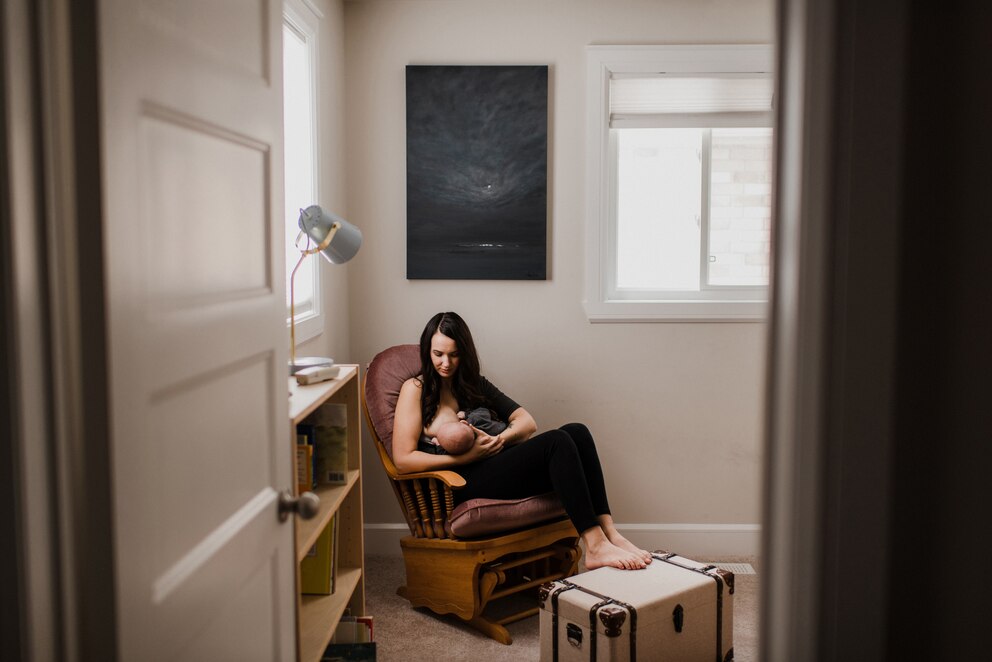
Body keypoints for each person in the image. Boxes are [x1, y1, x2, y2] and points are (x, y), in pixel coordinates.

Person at [392, 311, 652, 571]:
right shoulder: (415, 389)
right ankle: (594, 546)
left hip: (496, 467)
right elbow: (403, 460)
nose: (446, 363)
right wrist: (465, 458)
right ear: (427, 350)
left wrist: (498, 439)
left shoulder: (474, 385)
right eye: (438, 354)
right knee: (556, 442)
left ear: (465, 353)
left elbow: (527, 422)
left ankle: (609, 534)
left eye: (454, 354)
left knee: (578, 432)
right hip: (461, 481)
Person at [429, 407, 506, 455]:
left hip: (500, 434)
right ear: (463, 422)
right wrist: (466, 414)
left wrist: (437, 443)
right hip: (502, 428)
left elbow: (443, 453)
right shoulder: (473, 419)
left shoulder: (464, 450)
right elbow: (484, 411)